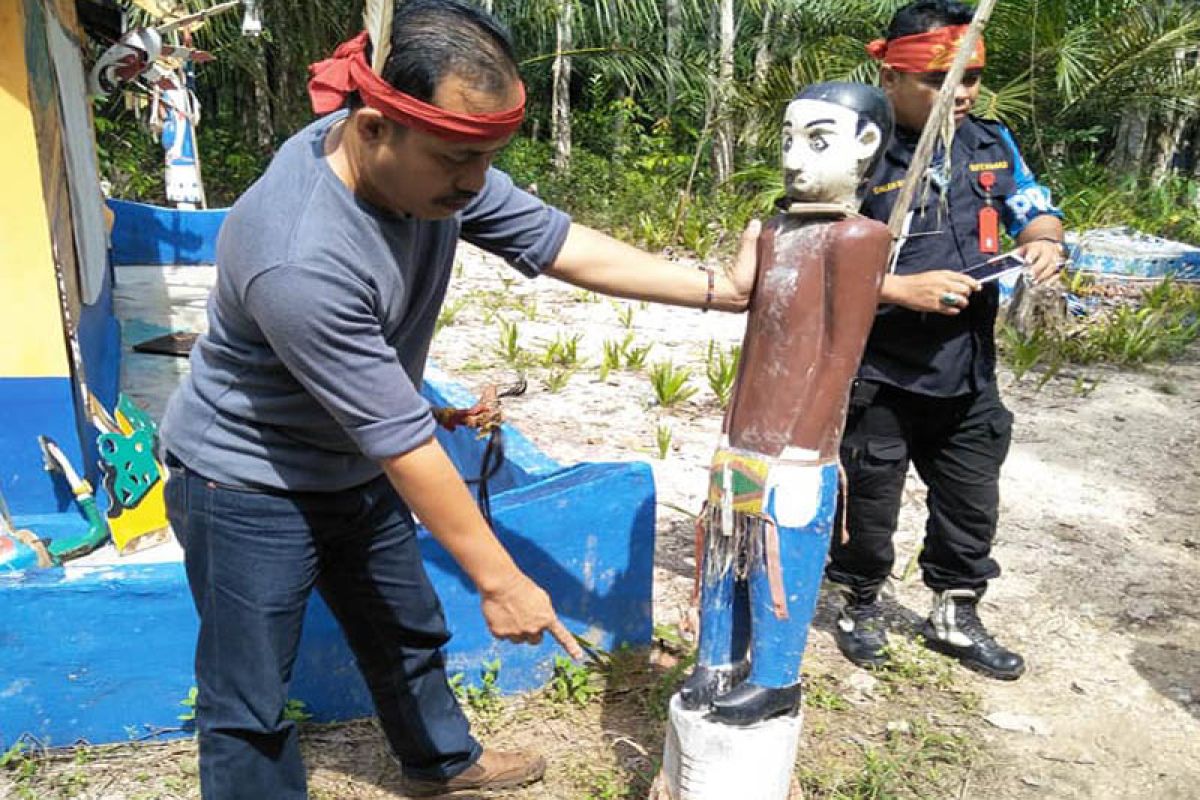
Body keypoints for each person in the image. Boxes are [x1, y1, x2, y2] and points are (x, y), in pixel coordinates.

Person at [159, 2, 758, 798]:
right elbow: (401, 441)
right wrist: (501, 578)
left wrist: (722, 292)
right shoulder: (298, 256)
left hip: (352, 462)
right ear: (373, 127)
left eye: (486, 158)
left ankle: (441, 765)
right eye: (455, 161)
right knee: (249, 697)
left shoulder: (431, 165)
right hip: (246, 485)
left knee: (404, 628)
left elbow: (558, 243)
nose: (475, 183)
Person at [826, 0, 1065, 681]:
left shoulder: (991, 143)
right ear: (891, 76)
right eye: (938, 80)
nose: (958, 94)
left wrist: (1045, 244)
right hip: (877, 374)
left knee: (970, 502)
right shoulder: (850, 149)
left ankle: (955, 614)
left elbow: (1034, 210)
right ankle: (859, 604)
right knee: (867, 506)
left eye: (969, 78)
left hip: (967, 370)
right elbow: (807, 261)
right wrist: (899, 290)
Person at [677, 82, 893, 727]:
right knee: (724, 544)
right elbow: (754, 330)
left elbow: (841, 351)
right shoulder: (773, 229)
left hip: (798, 446)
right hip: (747, 427)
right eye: (789, 139)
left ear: (866, 147)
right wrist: (734, 422)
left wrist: (802, 440)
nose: (795, 158)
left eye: (818, 140)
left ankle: (776, 678)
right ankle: (715, 658)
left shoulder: (859, 238)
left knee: (780, 555)